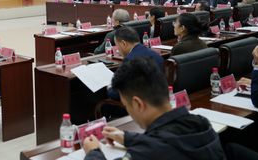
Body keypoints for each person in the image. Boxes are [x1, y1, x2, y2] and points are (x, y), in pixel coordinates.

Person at [82, 57, 225, 160]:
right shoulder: (201, 124)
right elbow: (166, 141)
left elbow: (156, 147)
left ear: (137, 104)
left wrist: (93, 152)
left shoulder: (146, 153)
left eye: (126, 106)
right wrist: (128, 138)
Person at [107, 27, 164, 101]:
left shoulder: (130, 60)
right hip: (159, 98)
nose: (117, 50)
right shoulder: (155, 54)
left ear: (124, 43)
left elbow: (117, 93)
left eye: (117, 46)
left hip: (142, 102)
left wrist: (109, 86)